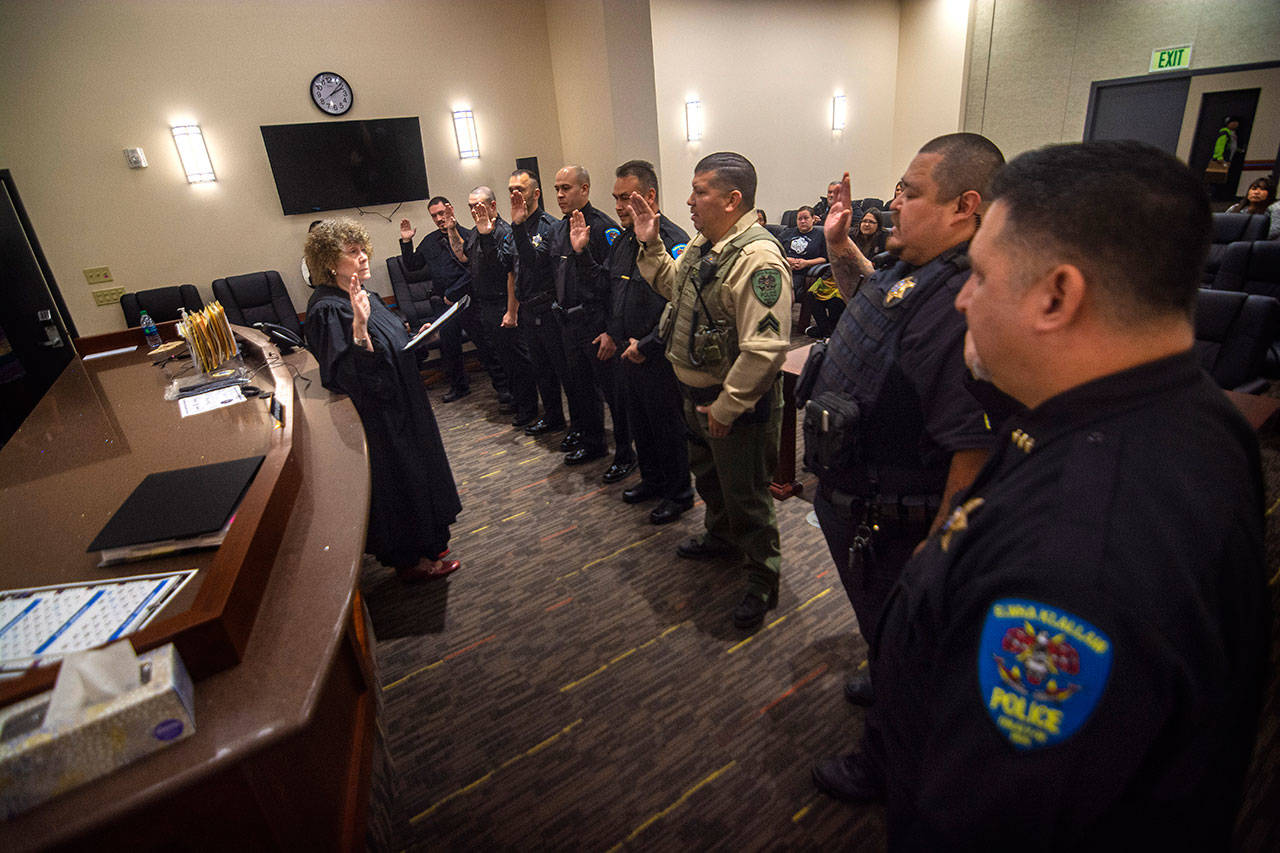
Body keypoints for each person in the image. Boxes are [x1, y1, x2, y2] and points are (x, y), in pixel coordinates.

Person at [872, 140, 1268, 847]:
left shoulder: (1072, 562)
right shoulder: (1194, 409)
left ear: (1057, 295)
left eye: (982, 277)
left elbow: (995, 820)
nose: (963, 297)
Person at [807, 133, 1003, 797]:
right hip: (859, 501)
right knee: (885, 629)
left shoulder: (962, 306)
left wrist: (937, 557)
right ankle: (885, 661)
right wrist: (838, 245)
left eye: (909, 192)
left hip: (901, 521)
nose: (891, 203)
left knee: (914, 641)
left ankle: (886, 762)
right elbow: (870, 306)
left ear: (964, 207)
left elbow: (970, 449)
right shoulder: (909, 263)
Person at [627, 151, 791, 630]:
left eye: (700, 192)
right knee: (711, 480)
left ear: (732, 200)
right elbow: (673, 287)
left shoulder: (759, 261)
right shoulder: (705, 243)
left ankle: (763, 579)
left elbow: (765, 350)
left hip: (733, 404)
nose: (690, 201)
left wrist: (726, 406)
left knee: (748, 498)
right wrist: (651, 244)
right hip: (695, 394)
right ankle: (720, 538)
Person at [304, 218, 462, 582]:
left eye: (363, 251)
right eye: (352, 252)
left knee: (421, 472)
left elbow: (392, 340)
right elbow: (345, 376)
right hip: (381, 418)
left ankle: (430, 545)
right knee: (402, 481)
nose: (363, 258)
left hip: (405, 402)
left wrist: (414, 337)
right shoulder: (328, 309)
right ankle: (413, 561)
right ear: (330, 261)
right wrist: (359, 329)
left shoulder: (364, 294)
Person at [607, 159, 694, 525]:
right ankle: (652, 480)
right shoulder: (626, 239)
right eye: (615, 197)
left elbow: (678, 306)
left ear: (650, 196)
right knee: (640, 423)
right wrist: (613, 335)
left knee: (667, 428)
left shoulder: (673, 241)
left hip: (657, 356)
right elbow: (617, 290)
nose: (618, 206)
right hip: (628, 352)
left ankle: (679, 493)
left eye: (625, 197)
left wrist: (646, 345)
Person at [552, 165, 636, 482]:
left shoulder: (604, 228)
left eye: (566, 188)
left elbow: (614, 286)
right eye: (557, 188)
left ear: (584, 189)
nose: (560, 194)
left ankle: (627, 454)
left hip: (596, 323)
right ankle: (593, 444)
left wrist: (610, 331)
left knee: (614, 393)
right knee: (581, 389)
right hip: (570, 321)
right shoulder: (561, 228)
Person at [400, 198, 507, 405]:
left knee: (485, 347)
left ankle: (502, 388)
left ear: (450, 210)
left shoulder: (468, 235)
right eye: (434, 215)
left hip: (467, 301)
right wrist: (406, 242)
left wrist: (455, 292)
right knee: (450, 348)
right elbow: (412, 266)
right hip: (443, 305)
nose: (439, 219)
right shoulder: (429, 241)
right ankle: (459, 387)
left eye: (442, 213)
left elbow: (473, 271)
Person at [467, 186, 538, 427]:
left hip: (504, 304)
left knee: (518, 360)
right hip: (485, 304)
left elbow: (510, 274)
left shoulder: (503, 232)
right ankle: (518, 401)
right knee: (504, 359)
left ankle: (529, 408)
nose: (474, 210)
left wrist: (511, 311)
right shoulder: (478, 232)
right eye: (470, 207)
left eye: (478, 205)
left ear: (493, 206)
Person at [508, 169, 568, 437]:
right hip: (527, 309)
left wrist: (518, 227)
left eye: (520, 189)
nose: (515, 195)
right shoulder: (515, 226)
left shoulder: (550, 226)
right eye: (511, 190)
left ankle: (577, 426)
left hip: (548, 309)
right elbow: (506, 264)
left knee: (562, 370)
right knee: (540, 370)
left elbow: (534, 262)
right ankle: (552, 417)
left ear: (536, 193)